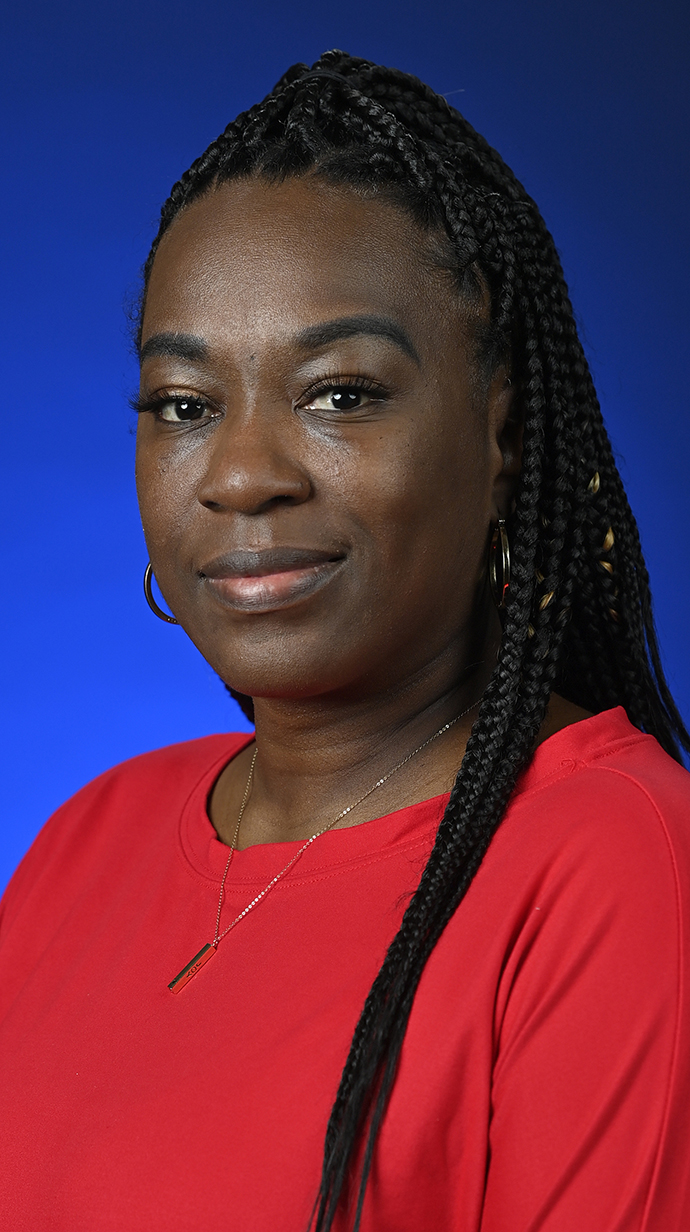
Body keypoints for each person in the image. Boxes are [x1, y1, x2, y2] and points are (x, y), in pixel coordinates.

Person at [1, 50, 689, 1232]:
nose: (241, 474)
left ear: (503, 435)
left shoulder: (611, 863)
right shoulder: (88, 841)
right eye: (185, 404)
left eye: (340, 393)